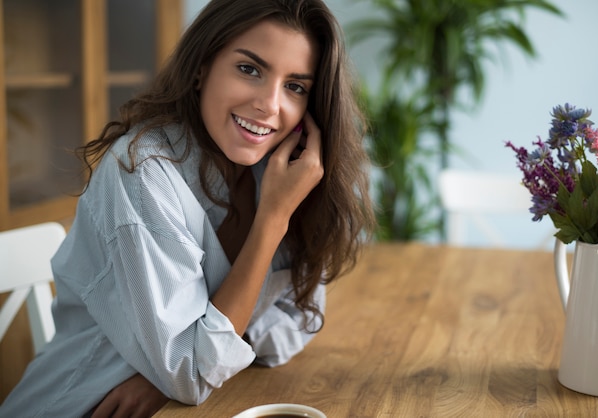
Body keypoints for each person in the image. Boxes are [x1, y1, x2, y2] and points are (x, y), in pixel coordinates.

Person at [0, 0, 375, 416]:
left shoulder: (277, 170)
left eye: (295, 86)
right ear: (202, 66)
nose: (270, 105)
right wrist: (272, 218)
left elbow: (298, 321)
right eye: (249, 69)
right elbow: (191, 376)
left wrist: (179, 369)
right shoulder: (142, 172)